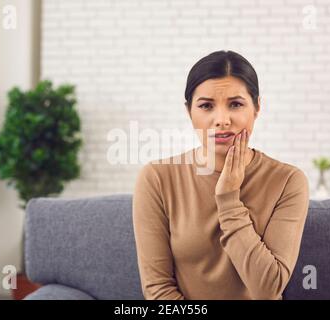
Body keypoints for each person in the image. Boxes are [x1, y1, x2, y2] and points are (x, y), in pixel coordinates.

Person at [132, 50, 310, 300]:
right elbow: (158, 290)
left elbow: (268, 289)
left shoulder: (288, 181)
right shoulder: (157, 178)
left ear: (257, 107)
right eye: (206, 106)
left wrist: (228, 199)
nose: (222, 120)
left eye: (236, 104)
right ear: (189, 111)